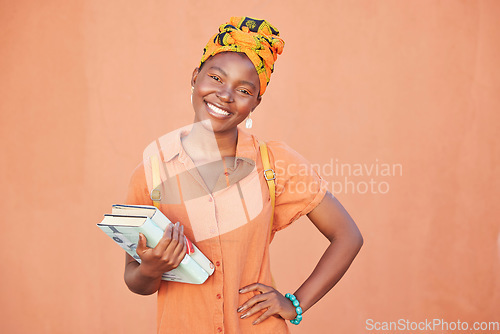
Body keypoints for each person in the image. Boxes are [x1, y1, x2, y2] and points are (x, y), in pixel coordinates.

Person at [123, 16, 363, 333]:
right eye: (216, 78)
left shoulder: (274, 163)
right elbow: (136, 281)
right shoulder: (151, 173)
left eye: (244, 89)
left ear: (255, 103)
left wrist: (296, 303)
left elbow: (348, 236)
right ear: (196, 78)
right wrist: (151, 268)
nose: (225, 95)